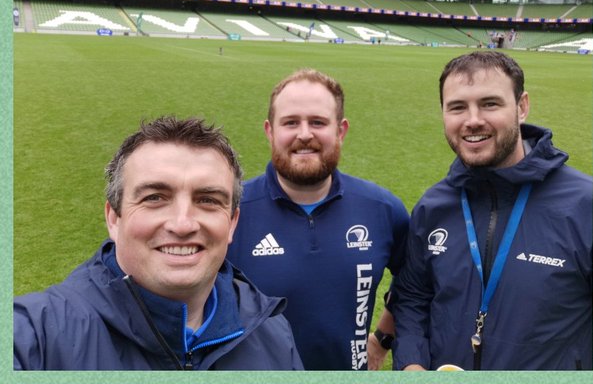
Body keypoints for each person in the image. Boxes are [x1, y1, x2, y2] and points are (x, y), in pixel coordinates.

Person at [13, 115, 304, 370]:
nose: (182, 224)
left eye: (207, 200)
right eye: (155, 198)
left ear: (231, 223)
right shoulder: (35, 337)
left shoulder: (273, 334)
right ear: (114, 218)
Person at [389, 50, 592, 370]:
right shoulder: (433, 207)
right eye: (457, 107)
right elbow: (413, 298)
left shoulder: (584, 206)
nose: (472, 120)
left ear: (522, 107)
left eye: (490, 104)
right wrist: (411, 363)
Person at [226, 71, 410, 371]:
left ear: (341, 130)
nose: (304, 134)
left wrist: (382, 338)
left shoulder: (382, 209)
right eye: (290, 122)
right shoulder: (231, 212)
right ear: (269, 131)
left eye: (318, 122)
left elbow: (417, 284)